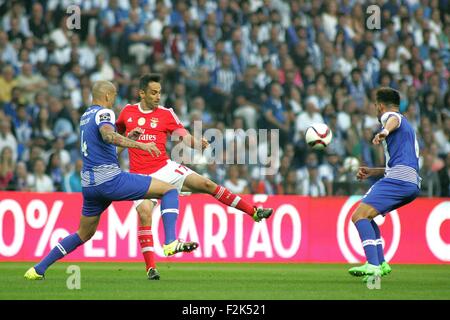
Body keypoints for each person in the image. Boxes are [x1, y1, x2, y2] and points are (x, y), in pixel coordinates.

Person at [24, 81, 198, 281]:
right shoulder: (104, 113)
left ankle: (37, 269)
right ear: (107, 96)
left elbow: (108, 149)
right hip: (109, 180)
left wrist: (126, 137)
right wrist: (140, 145)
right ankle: (170, 242)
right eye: (114, 96)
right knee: (169, 190)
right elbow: (108, 136)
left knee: (83, 233)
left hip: (90, 185)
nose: (115, 100)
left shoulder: (85, 117)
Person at [116, 74, 273, 278]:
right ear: (142, 93)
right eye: (153, 93)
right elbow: (116, 141)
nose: (157, 97)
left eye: (160, 92)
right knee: (145, 214)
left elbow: (183, 135)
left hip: (164, 167)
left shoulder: (166, 114)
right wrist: (125, 141)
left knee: (207, 184)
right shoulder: (127, 113)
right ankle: (151, 268)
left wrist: (196, 142)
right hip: (139, 175)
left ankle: (253, 212)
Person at [348, 87, 420, 281]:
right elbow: (403, 162)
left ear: (379, 106)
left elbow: (392, 120)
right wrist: (373, 171)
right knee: (369, 216)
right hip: (410, 181)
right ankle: (380, 263)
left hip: (399, 178)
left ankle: (372, 264)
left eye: (375, 105)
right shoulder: (409, 128)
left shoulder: (391, 117)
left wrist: (385, 130)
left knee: (358, 215)